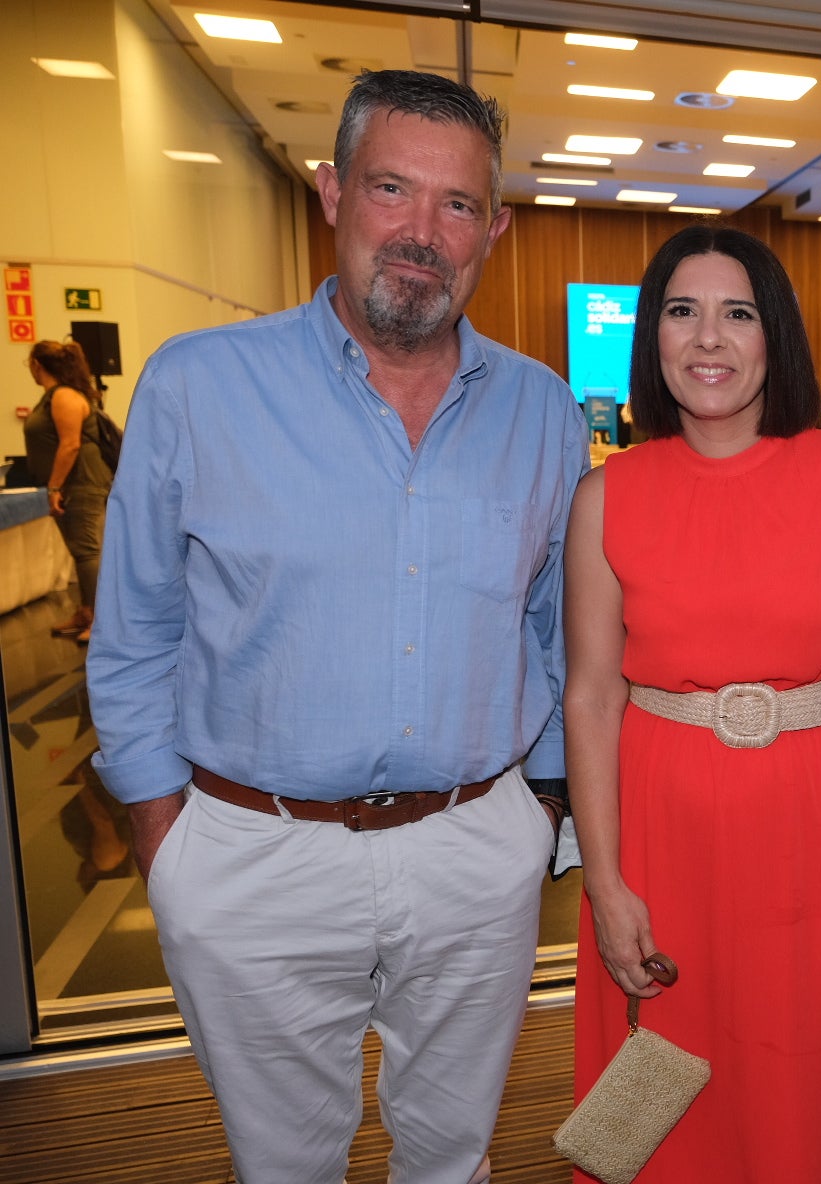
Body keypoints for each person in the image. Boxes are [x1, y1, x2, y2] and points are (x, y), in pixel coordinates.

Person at [87, 69, 589, 1183]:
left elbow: (559, 631)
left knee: (452, 1157)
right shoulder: (199, 386)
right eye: (392, 190)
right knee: (285, 1166)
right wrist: (166, 833)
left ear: (494, 229)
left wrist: (540, 809)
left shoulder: (542, 409)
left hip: (474, 848)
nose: (422, 232)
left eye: (457, 205)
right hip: (253, 849)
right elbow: (134, 631)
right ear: (331, 192)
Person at [564, 224, 821, 1183]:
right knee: (666, 1069)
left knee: (808, 1059)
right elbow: (594, 696)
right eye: (683, 312)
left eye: (739, 313)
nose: (710, 339)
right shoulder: (608, 496)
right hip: (658, 831)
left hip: (812, 825)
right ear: (655, 338)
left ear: (777, 338)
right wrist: (604, 883)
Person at [23, 339, 111, 643]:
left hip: (81, 483)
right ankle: (87, 612)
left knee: (87, 552)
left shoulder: (62, 396)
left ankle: (102, 623)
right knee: (80, 550)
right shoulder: (53, 397)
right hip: (73, 483)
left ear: (37, 364)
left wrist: (56, 486)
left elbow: (71, 443)